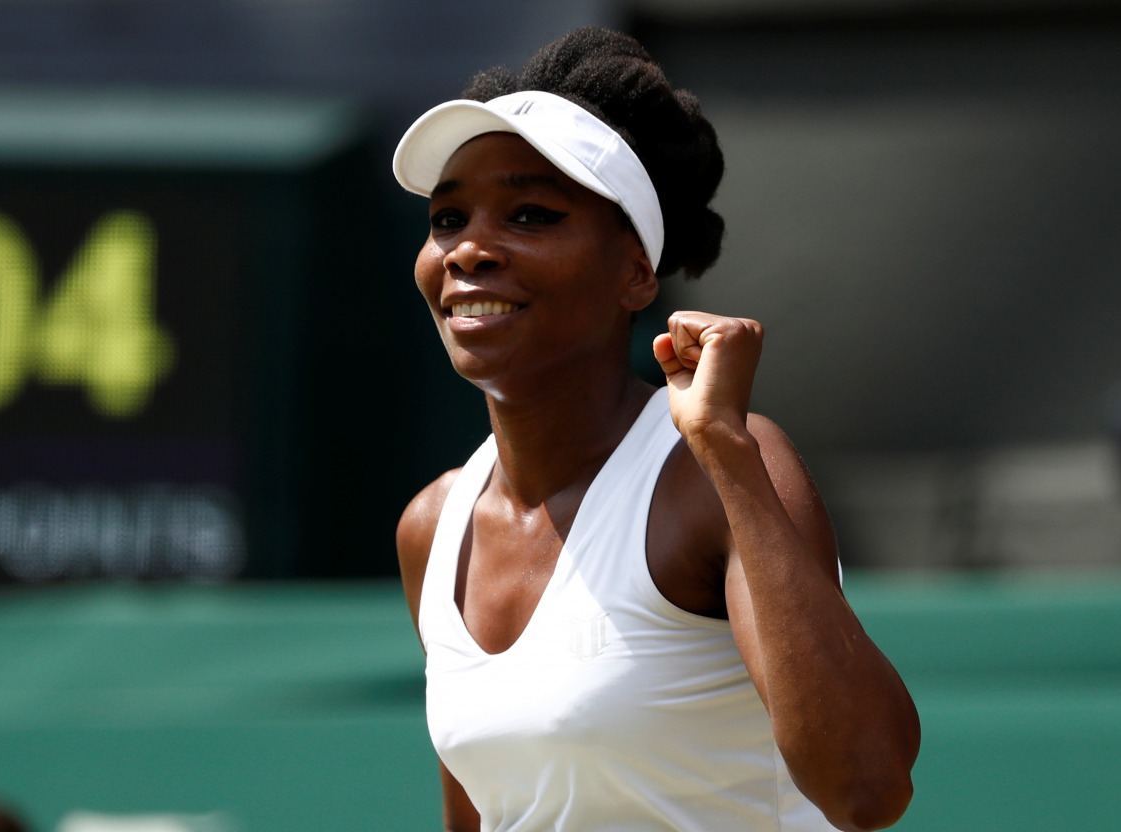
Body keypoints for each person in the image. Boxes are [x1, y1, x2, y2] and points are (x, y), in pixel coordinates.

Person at [392, 26, 920, 832]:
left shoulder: (719, 466)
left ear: (637, 271)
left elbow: (866, 789)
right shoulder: (433, 527)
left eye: (529, 214)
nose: (468, 249)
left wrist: (728, 451)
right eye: (447, 217)